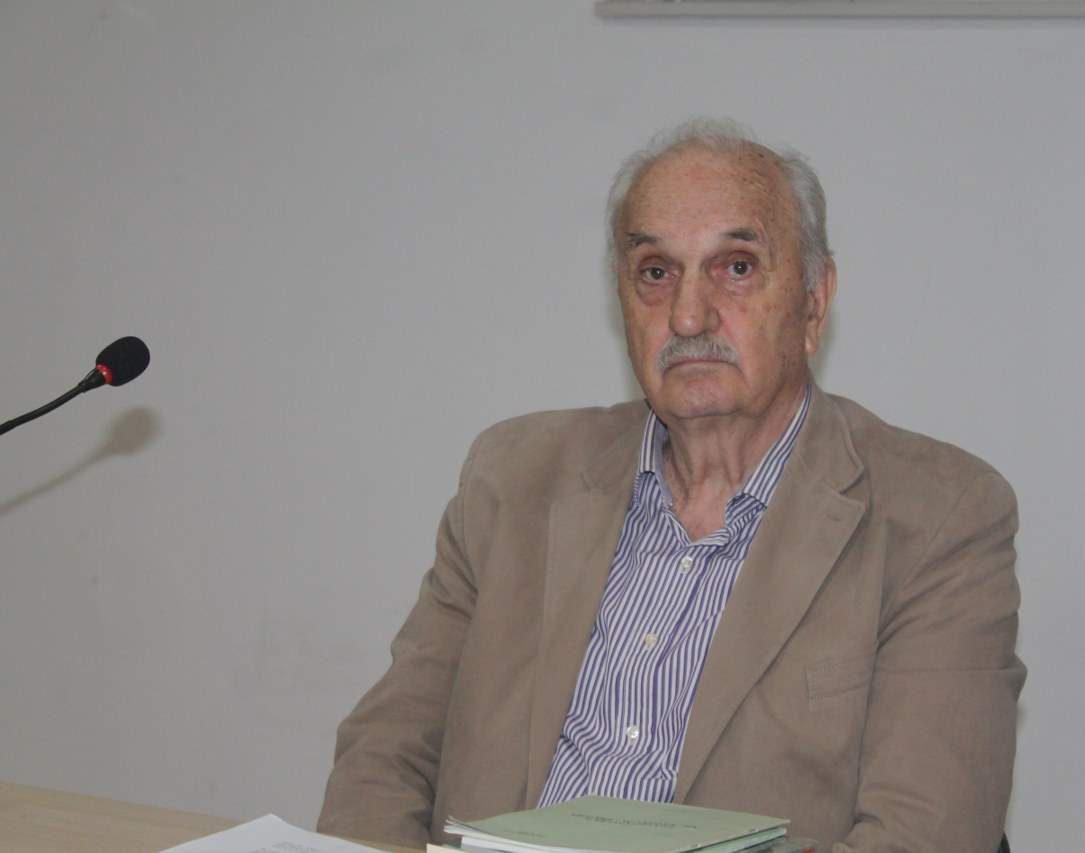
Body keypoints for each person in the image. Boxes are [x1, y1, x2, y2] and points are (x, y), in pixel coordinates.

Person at [318, 119, 1024, 853]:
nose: (688, 315)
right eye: (655, 272)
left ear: (814, 302)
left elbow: (926, 833)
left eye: (737, 267)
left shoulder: (938, 516)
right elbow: (385, 755)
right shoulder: (513, 477)